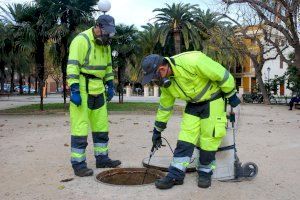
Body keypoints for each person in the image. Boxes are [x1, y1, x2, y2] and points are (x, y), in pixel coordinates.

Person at [141, 51, 241, 189]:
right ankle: (175, 175)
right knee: (185, 138)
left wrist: (231, 93)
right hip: (192, 104)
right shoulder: (166, 84)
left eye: (154, 77)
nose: (154, 81)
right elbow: (165, 107)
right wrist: (157, 130)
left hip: (213, 100)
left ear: (162, 69)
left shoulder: (192, 61)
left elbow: (222, 74)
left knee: (208, 138)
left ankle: (205, 172)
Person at [67, 14, 121, 177]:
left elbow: (108, 67)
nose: (108, 36)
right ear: (97, 27)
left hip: (99, 88)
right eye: (106, 32)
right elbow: (72, 66)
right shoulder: (81, 40)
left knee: (101, 125)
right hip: (83, 87)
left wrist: (110, 84)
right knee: (80, 126)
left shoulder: (106, 45)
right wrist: (74, 89)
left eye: (110, 33)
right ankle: (78, 164)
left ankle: (102, 158)